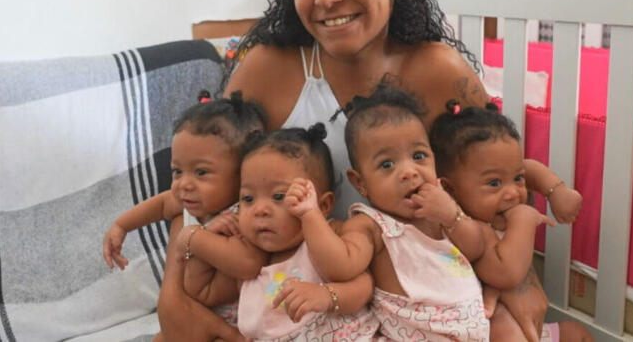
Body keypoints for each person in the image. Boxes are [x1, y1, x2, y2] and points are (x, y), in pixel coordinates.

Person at [172, 0, 567, 340]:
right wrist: (174, 287)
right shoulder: (266, 68)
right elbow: (205, 185)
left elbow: (496, 184)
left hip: (420, 290)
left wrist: (517, 281)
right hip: (301, 295)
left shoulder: (438, 69)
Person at [284, 86, 554, 339]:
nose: (409, 172)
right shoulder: (372, 226)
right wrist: (311, 215)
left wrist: (452, 216)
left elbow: (477, 248)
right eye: (387, 164)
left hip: (476, 327)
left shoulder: (446, 208)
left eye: (419, 156)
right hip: (414, 334)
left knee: (513, 328)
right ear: (360, 182)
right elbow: (341, 267)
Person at [176, 124, 379, 340]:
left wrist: (327, 296)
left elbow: (364, 285)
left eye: (279, 196)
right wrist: (201, 236)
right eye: (247, 199)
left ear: (324, 204)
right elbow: (202, 290)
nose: (260, 210)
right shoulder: (248, 262)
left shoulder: (327, 235)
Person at [101, 90, 265, 340]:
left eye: (201, 173)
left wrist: (199, 238)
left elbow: (245, 266)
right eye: (177, 171)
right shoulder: (189, 203)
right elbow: (160, 205)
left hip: (231, 324)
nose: (184, 184)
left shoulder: (241, 217)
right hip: (185, 315)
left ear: (243, 171)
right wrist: (121, 226)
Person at [429, 101, 594, 342]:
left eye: (517, 179)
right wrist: (524, 220)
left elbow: (528, 167)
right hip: (491, 330)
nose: (514, 193)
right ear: (450, 190)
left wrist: (556, 191)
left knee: (577, 334)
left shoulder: (497, 209)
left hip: (528, 326)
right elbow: (507, 274)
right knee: (503, 325)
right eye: (494, 183)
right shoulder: (465, 228)